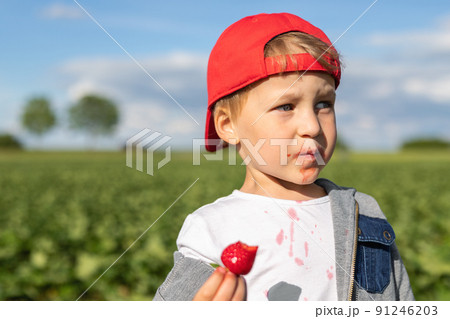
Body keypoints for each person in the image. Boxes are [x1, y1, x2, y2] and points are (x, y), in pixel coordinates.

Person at [153, 12, 414, 301]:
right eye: (287, 106)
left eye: (323, 104)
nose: (312, 126)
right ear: (228, 126)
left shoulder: (364, 213)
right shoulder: (211, 228)